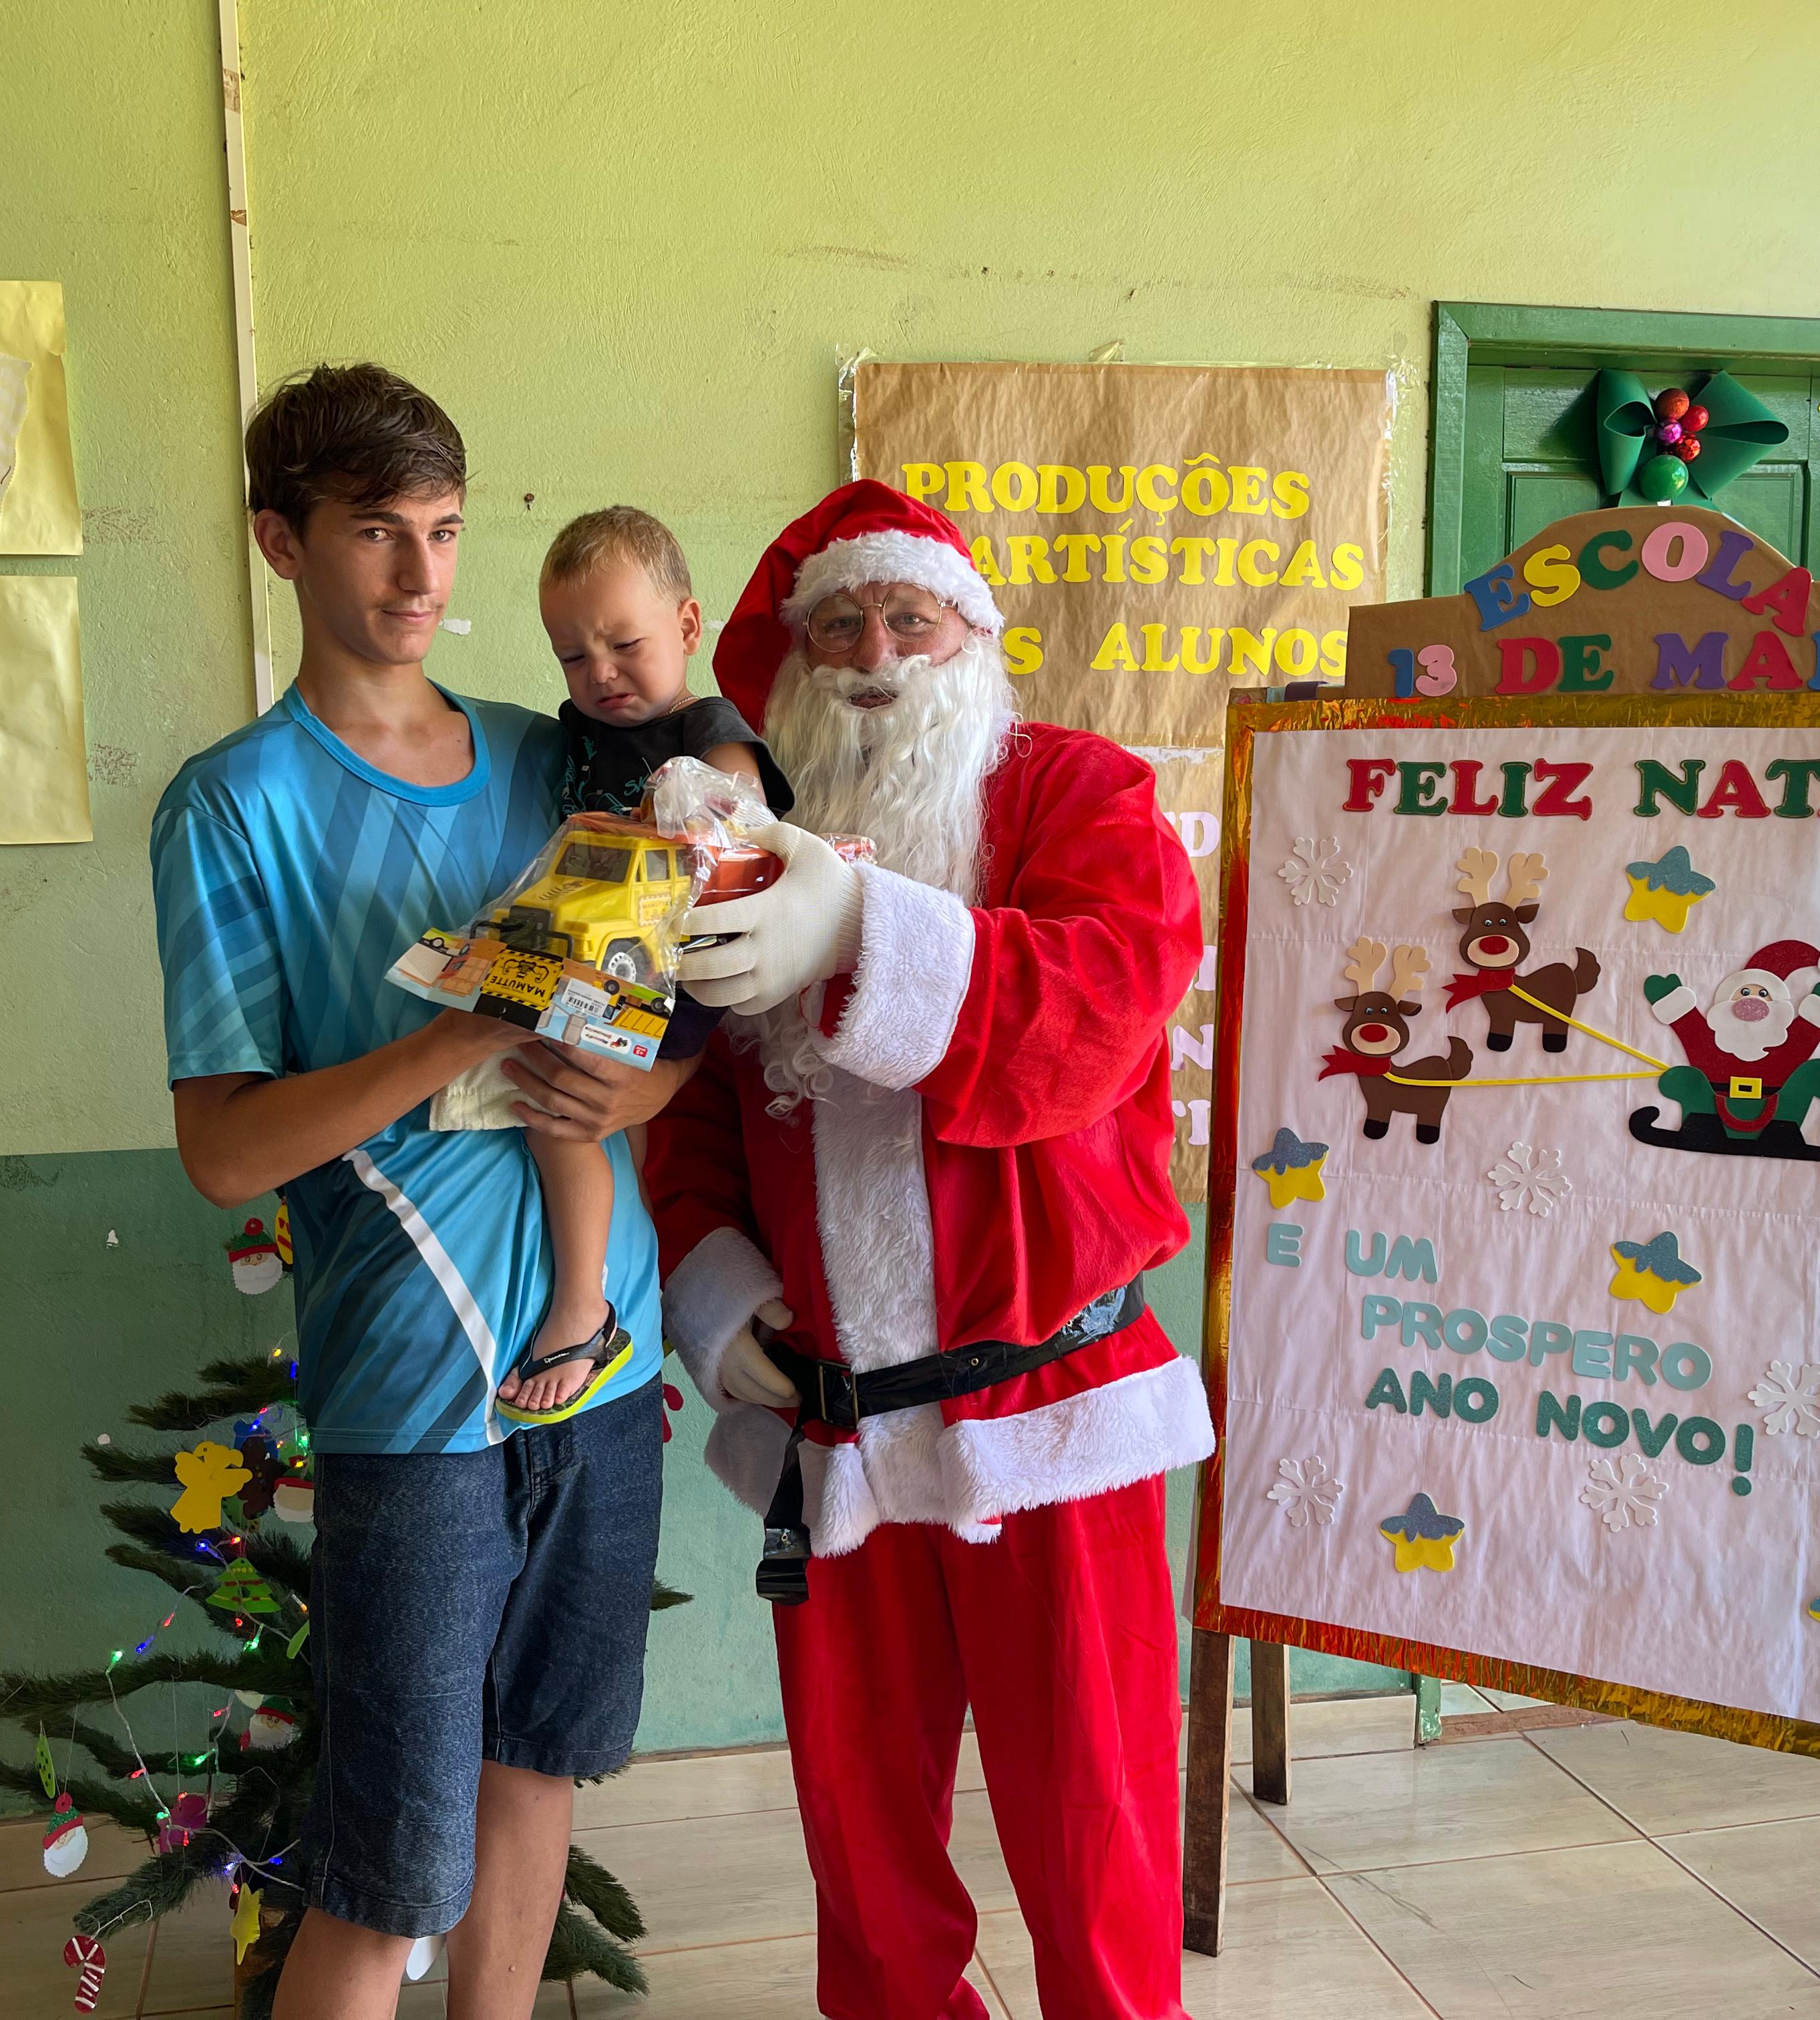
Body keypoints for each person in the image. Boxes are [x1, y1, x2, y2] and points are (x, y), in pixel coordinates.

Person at [148, 363, 689, 2020]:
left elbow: (674, 1007)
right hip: (414, 1382)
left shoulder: (555, 753)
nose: (421, 575)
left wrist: (646, 1086)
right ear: (280, 543)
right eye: (377, 531)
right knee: (388, 1870)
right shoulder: (233, 804)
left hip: (605, 1357)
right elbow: (226, 1152)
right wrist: (456, 1034)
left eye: (444, 531)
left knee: (539, 1769)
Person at [646, 480, 1214, 2020]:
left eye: (911, 618)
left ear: (975, 637)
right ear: (792, 664)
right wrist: (717, 1292)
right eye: (838, 626)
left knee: (1093, 1830)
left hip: (1051, 1413)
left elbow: (1103, 1006)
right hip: (836, 1425)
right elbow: (694, 1108)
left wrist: (861, 926)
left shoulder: (1077, 792)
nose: (876, 654)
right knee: (862, 1844)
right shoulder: (740, 841)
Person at [484, 506, 793, 1423]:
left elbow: (741, 845)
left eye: (625, 645)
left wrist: (669, 829)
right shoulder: (580, 734)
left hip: (684, 977)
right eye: (572, 658)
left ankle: (583, 1311)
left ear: (688, 626)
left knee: (562, 1115)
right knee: (616, 1140)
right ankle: (637, 1291)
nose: (601, 675)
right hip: (612, 959)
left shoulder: (712, 731)